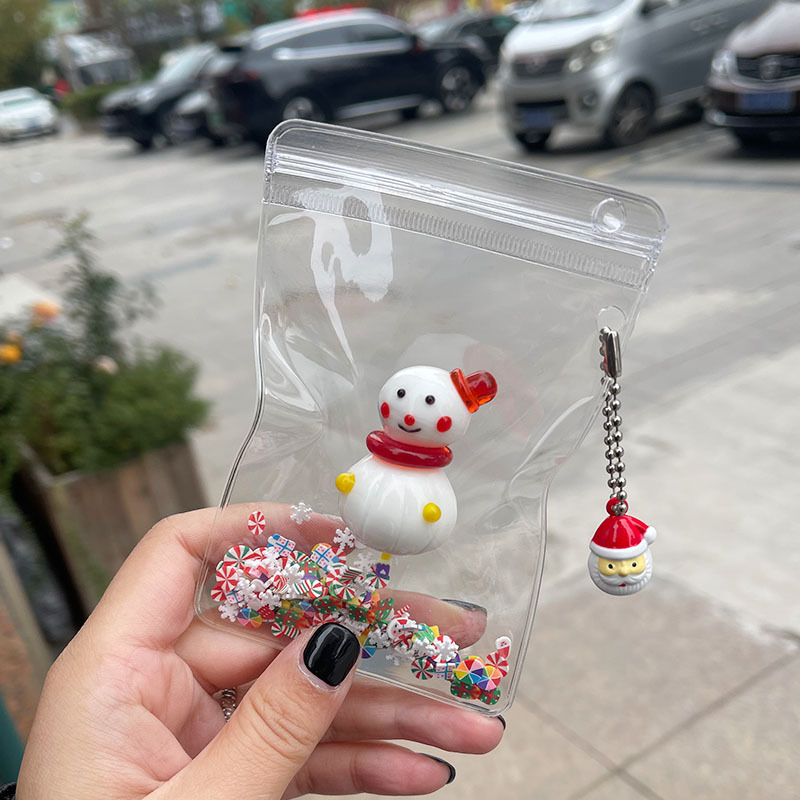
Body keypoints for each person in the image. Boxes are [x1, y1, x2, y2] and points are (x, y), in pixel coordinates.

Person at [9, 504, 505, 799]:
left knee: (405, 635)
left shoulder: (316, 586)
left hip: (347, 603)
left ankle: (472, 672)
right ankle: (472, 672)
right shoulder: (275, 587)